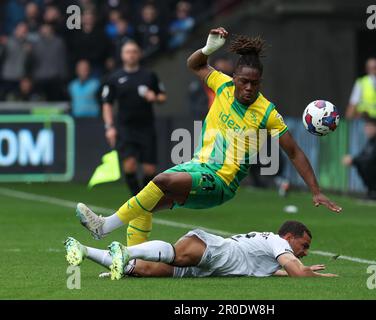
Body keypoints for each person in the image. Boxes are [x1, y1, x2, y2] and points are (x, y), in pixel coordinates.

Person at [76, 27, 341, 250]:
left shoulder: (267, 113)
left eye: (255, 83)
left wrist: (316, 191)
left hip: (220, 182)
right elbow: (194, 64)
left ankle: (104, 226)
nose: (249, 88)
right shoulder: (222, 84)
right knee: (143, 206)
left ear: (260, 82)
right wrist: (207, 49)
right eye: (244, 81)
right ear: (234, 78)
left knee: (159, 180)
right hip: (197, 167)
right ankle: (130, 263)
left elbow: (294, 152)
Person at [64, 220, 337, 279]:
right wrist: (316, 276)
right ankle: (127, 251)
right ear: (289, 237)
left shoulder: (274, 253)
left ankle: (83, 250)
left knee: (144, 271)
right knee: (174, 253)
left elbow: (282, 272)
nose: (305, 252)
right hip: (218, 252)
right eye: (304, 245)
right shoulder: (278, 243)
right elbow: (299, 276)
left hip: (210, 267)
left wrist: (300, 268)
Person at [101, 40, 166, 205]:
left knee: (149, 169)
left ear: (139, 54)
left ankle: (142, 201)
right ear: (122, 55)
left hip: (146, 127)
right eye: (128, 52)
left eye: (134, 51)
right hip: (125, 128)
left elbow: (162, 96)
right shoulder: (114, 78)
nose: (131, 54)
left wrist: (155, 97)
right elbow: (107, 103)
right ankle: (138, 202)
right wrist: (109, 127)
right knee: (129, 165)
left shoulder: (149, 75)